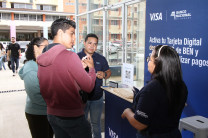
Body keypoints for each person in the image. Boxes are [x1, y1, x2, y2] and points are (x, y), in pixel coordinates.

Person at [37, 18, 96, 138]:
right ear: (60, 33)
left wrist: (77, 68)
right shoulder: (70, 56)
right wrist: (91, 69)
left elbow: (54, 81)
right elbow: (89, 87)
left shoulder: (42, 58)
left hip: (52, 114)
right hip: (72, 116)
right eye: (72, 33)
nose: (74, 38)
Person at [121, 45, 188, 138]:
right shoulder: (182, 86)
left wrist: (127, 112)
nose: (148, 62)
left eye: (150, 59)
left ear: (158, 63)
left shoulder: (151, 89)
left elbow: (140, 124)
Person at [77, 33, 111, 138]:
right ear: (84, 43)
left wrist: (104, 74)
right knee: (80, 124)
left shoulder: (101, 58)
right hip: (81, 98)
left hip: (97, 98)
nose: (92, 46)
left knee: (96, 124)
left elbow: (108, 72)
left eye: (95, 44)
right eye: (90, 43)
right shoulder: (76, 57)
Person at [18, 37, 54, 138]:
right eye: (45, 46)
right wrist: (55, 103)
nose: (48, 50)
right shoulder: (31, 68)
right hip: (37, 113)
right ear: (35, 48)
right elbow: (35, 95)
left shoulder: (43, 64)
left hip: (48, 112)